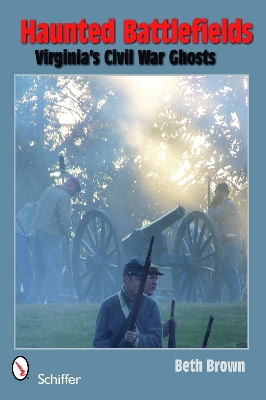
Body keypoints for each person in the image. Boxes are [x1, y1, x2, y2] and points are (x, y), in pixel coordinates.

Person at [27, 176, 81, 304]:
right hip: (51, 234)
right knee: (54, 270)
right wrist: (67, 234)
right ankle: (54, 301)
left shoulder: (49, 190)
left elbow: (39, 208)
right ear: (71, 186)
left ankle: (31, 299)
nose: (73, 194)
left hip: (37, 231)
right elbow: (65, 220)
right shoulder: (64, 196)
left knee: (39, 271)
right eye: (74, 191)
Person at [93, 257, 163, 348]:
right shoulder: (108, 305)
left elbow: (156, 341)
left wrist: (137, 340)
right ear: (127, 279)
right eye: (139, 280)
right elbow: (99, 341)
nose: (143, 284)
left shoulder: (151, 305)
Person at [208, 183, 242, 302]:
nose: (215, 195)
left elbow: (214, 216)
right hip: (227, 244)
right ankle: (217, 302)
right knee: (219, 275)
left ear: (221, 193)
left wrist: (212, 206)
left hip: (231, 243)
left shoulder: (228, 204)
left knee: (231, 273)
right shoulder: (226, 205)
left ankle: (236, 302)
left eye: (216, 193)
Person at [144, 263, 177, 338]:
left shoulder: (150, 303)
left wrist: (164, 328)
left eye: (156, 278)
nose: (155, 283)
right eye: (151, 277)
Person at [16, 199, 38, 303]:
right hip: (20, 238)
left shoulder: (23, 212)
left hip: (18, 237)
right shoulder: (30, 208)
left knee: (17, 270)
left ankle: (17, 295)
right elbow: (42, 204)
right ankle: (29, 296)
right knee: (25, 268)